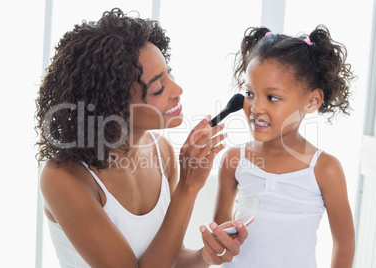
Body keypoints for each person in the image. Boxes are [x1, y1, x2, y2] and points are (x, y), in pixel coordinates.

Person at [35, 8, 248, 268]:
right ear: (113, 105)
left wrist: (208, 254)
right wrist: (188, 188)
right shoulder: (63, 178)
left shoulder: (162, 152)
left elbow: (169, 257)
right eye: (158, 87)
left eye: (169, 74)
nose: (178, 90)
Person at [214, 25, 355, 267]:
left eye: (273, 97)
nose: (255, 108)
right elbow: (221, 231)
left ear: (312, 101)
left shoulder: (324, 169)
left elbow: (344, 243)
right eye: (249, 93)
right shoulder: (234, 160)